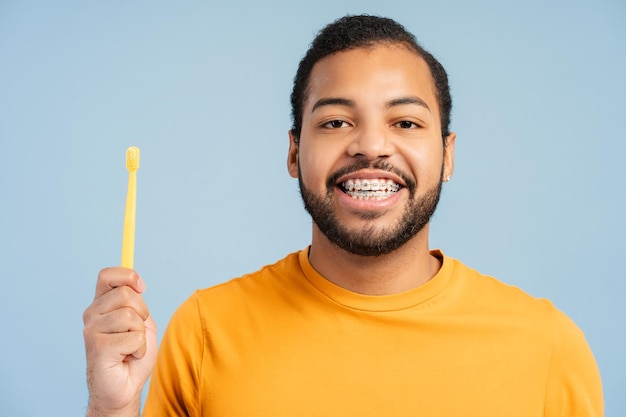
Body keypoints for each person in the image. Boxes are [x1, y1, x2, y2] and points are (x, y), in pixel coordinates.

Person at [83, 14, 603, 417]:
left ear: (447, 155)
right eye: (335, 121)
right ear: (293, 153)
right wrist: (113, 408)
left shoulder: (548, 345)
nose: (372, 145)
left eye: (405, 121)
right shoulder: (205, 330)